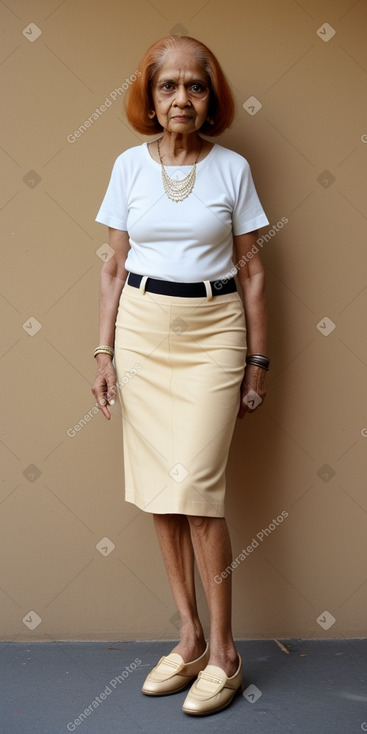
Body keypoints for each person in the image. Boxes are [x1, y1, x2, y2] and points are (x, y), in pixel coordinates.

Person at [92, 34, 269, 716]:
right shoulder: (127, 168)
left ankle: (225, 653)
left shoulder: (232, 169)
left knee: (196, 488)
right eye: (168, 86)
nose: (181, 99)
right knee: (159, 494)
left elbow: (252, 268)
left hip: (212, 335)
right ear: (149, 94)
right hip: (139, 334)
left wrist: (257, 361)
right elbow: (112, 265)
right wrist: (102, 352)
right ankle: (189, 637)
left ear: (210, 95)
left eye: (194, 86)